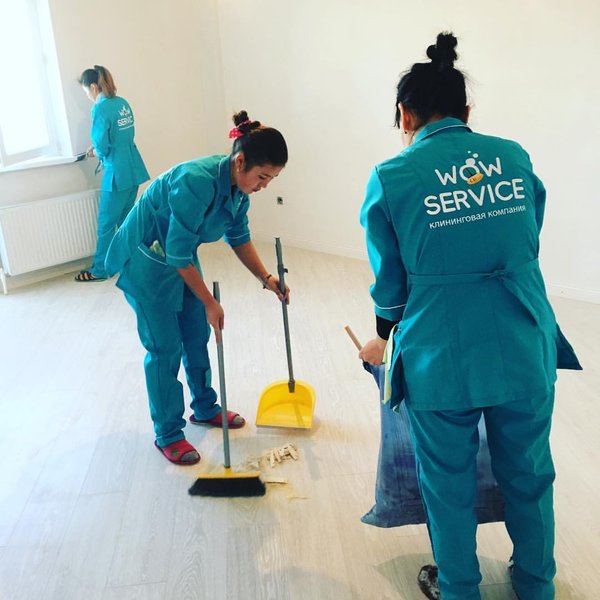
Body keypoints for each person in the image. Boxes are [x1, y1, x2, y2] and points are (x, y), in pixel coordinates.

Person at [358, 32, 581, 600]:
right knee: (530, 473)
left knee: (448, 481)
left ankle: (459, 589)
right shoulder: (514, 156)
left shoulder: (392, 176)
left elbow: (390, 285)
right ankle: (536, 585)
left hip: (441, 353)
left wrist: (383, 337)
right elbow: (527, 234)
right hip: (523, 339)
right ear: (467, 109)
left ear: (405, 115)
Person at [105, 110, 289, 465]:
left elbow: (238, 236)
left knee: (196, 335)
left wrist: (267, 279)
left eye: (271, 179)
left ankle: (205, 407)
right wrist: (210, 302)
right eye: (263, 176)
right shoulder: (196, 181)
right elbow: (176, 254)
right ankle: (168, 433)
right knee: (165, 347)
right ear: (240, 161)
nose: (264, 185)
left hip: (180, 257)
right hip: (147, 261)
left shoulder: (239, 192)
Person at [75, 65, 149, 282]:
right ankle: (134, 263)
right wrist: (101, 146)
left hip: (117, 173)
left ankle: (100, 270)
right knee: (127, 222)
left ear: (93, 87)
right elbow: (122, 134)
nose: (87, 96)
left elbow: (102, 145)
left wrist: (96, 151)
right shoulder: (122, 103)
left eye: (86, 92)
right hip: (133, 168)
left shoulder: (100, 108)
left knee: (106, 225)